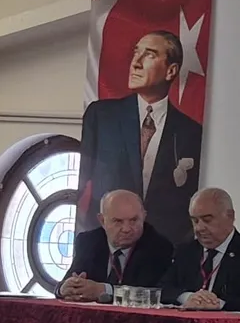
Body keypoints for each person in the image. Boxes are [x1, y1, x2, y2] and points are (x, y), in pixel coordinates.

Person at [78, 30, 203, 245]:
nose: (135, 63)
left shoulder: (191, 132)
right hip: (104, 246)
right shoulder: (101, 116)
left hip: (164, 251)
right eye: (136, 53)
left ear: (171, 71)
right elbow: (81, 185)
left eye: (149, 55)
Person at [159, 188, 240, 311]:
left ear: (230, 216)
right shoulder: (186, 251)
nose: (199, 228)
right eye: (195, 221)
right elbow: (162, 289)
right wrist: (187, 297)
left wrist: (220, 304)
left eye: (207, 220)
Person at [58, 189, 172, 302]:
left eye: (133, 220)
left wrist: (103, 290)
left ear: (144, 217)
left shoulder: (158, 247)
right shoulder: (88, 241)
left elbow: (148, 293)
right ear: (102, 220)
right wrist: (65, 288)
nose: (126, 229)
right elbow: (71, 278)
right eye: (118, 221)